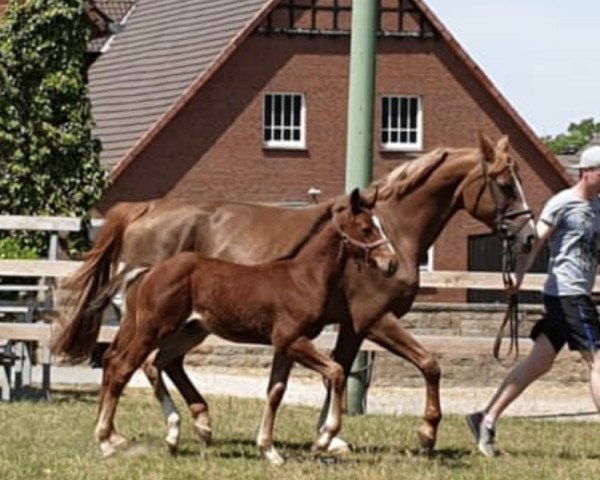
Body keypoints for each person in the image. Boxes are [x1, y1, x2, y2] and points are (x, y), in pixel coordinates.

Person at [466, 145, 600, 457]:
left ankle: (485, 418)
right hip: (567, 294)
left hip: (576, 293)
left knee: (539, 362)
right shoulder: (562, 204)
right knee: (597, 361)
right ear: (586, 172)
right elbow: (534, 243)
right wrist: (519, 277)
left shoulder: (598, 208)